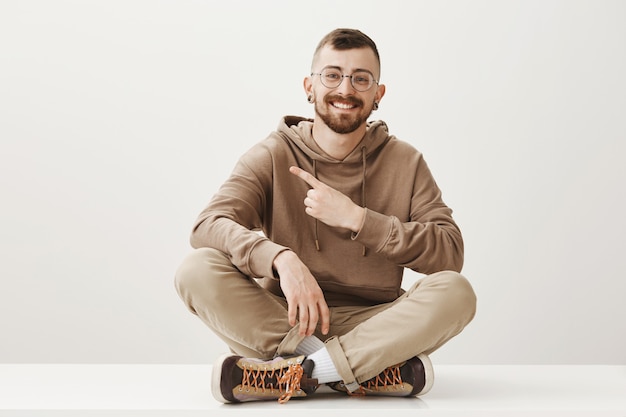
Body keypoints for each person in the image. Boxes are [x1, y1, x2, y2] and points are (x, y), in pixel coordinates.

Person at [175, 28, 477, 404]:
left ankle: (294, 375)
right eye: (332, 75)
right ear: (309, 86)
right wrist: (280, 259)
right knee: (196, 269)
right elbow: (208, 225)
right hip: (287, 321)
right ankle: (361, 373)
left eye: (361, 79)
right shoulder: (272, 155)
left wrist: (359, 220)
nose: (345, 89)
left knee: (455, 292)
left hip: (377, 325)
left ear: (378, 94)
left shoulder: (406, 161)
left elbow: (450, 253)